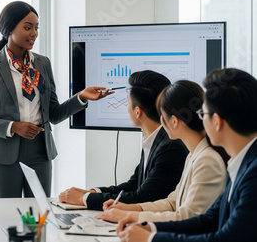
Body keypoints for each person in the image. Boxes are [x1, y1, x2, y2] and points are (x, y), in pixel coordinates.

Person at [0, 1, 112, 198]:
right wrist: (14, 126)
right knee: (5, 216)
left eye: (36, 28)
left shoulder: (42, 63)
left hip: (40, 152)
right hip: (3, 155)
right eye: (27, 28)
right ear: (9, 29)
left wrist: (81, 97)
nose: (34, 33)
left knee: (38, 215)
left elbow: (54, 114)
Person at [117, 68, 257, 242]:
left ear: (217, 122)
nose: (200, 119)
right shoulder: (239, 163)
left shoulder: (250, 172)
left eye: (203, 114)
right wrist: (147, 226)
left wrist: (151, 238)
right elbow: (209, 220)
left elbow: (226, 238)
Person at [95, 80, 227, 223]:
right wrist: (131, 208)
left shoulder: (207, 160)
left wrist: (132, 216)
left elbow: (187, 216)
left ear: (174, 121)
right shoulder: (194, 154)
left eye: (162, 116)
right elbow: (172, 203)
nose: (161, 122)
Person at [58, 70, 188, 210]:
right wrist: (92, 192)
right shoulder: (156, 139)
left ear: (137, 111)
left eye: (127, 103)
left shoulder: (170, 148)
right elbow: (133, 185)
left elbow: (142, 197)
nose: (127, 108)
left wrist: (83, 199)